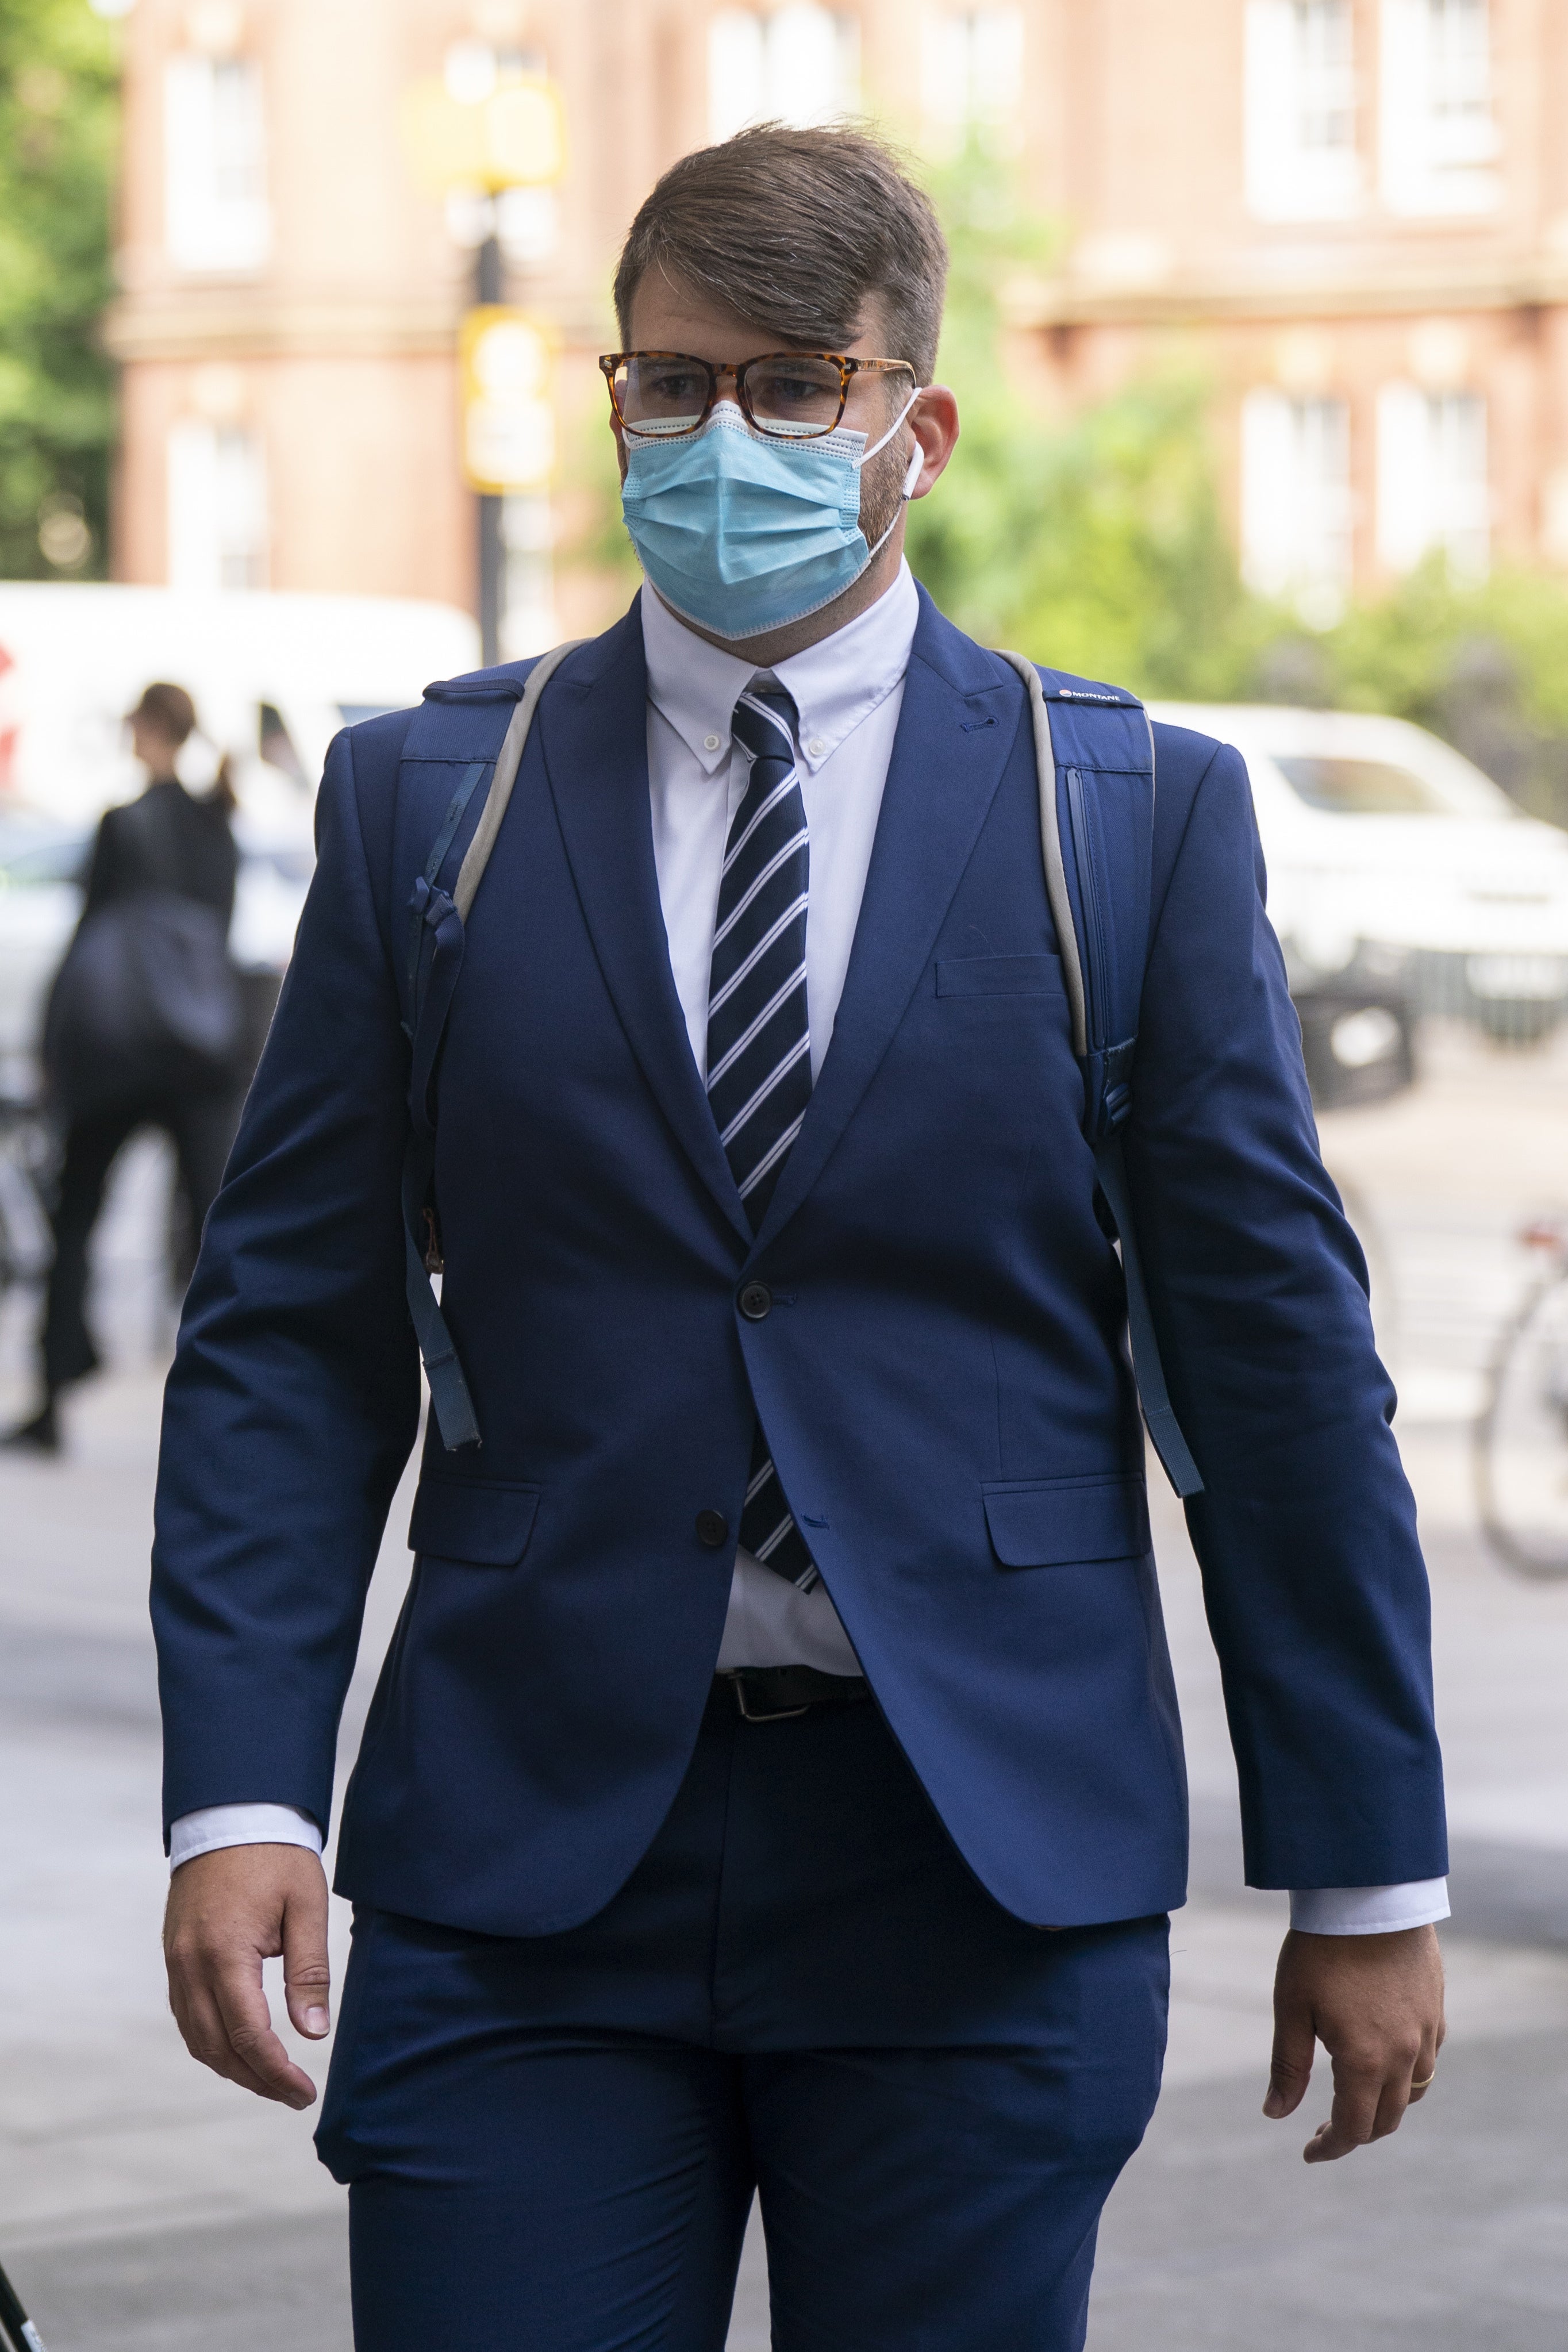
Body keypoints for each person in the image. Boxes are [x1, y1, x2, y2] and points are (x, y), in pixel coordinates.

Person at [155, 128, 1448, 2352]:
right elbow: (291, 1332)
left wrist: (1363, 1862)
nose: (716, 439)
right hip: (523, 1854)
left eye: (787, 389)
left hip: (974, 1859)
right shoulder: (423, 807)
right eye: (666, 387)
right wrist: (239, 1789)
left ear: (910, 429)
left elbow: (1272, 1366)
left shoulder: (1120, 818)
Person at [5, 683, 241, 1455]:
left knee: (76, 1216)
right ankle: (233, 1404)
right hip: (196, 1053)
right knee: (215, 1231)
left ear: (146, 731)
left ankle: (52, 1395)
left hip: (116, 1054)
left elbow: (87, 940)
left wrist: (51, 1048)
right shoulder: (218, 824)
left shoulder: (122, 825)